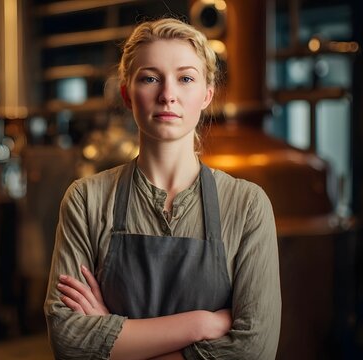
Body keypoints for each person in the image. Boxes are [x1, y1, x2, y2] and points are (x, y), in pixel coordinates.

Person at [44, 17, 281, 360]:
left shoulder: (247, 205)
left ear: (206, 95)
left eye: (185, 78)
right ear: (127, 94)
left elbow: (253, 351)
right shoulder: (86, 199)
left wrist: (114, 340)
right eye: (150, 78)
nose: (168, 95)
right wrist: (199, 324)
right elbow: (68, 341)